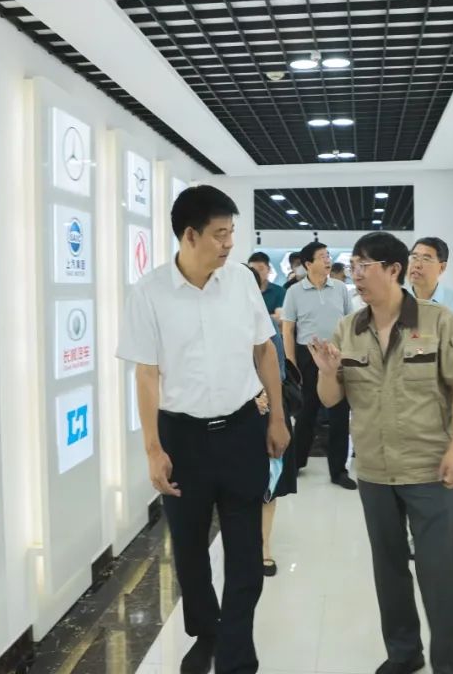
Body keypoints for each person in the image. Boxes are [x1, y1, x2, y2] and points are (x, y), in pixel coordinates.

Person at [117, 185, 290, 674]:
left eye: (232, 232)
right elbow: (146, 375)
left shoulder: (240, 282)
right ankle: (206, 631)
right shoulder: (148, 293)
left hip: (241, 431)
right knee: (190, 551)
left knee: (246, 554)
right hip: (183, 438)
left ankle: (235, 653)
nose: (229, 243)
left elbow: (264, 350)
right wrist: (152, 449)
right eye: (220, 234)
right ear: (189, 235)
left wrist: (277, 417)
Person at [308, 232, 453, 674]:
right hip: (374, 470)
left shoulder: (438, 321)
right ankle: (404, 653)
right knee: (389, 567)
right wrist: (327, 373)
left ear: (393, 270)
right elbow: (330, 399)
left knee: (438, 572)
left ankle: (446, 664)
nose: (356, 275)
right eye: (353, 266)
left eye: (364, 266)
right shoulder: (349, 328)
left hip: (429, 469)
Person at [407, 237, 453, 526]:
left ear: (442, 266)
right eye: (414, 257)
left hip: (451, 395)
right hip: (411, 400)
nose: (417, 264)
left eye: (426, 258)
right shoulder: (397, 302)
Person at [281, 241, 356, 490]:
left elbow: (349, 323)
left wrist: (347, 354)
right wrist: (292, 364)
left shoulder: (340, 288)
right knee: (306, 413)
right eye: (322, 256)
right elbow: (288, 330)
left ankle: (338, 470)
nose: (328, 260)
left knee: (339, 414)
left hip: (336, 354)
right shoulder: (294, 292)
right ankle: (296, 463)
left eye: (328, 256)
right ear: (308, 264)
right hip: (308, 356)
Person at [245, 264, 298, 577]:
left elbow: (277, 372)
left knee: (268, 484)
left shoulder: (265, 326)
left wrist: (264, 398)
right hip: (232, 418)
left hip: (266, 413)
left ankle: (264, 548)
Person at [247, 251, 286, 318]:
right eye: (253, 270)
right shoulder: (244, 291)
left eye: (261, 269)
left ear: (268, 269)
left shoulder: (280, 292)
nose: (257, 273)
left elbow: (279, 317)